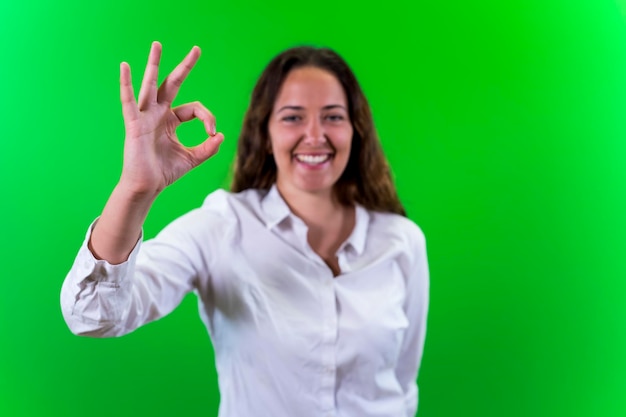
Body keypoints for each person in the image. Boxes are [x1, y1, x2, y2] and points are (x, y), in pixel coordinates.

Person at [60, 41, 430, 417]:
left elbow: (401, 386)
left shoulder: (402, 241)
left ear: (356, 130)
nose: (315, 135)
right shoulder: (221, 227)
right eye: (293, 117)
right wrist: (135, 189)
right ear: (265, 133)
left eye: (333, 116)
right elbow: (92, 315)